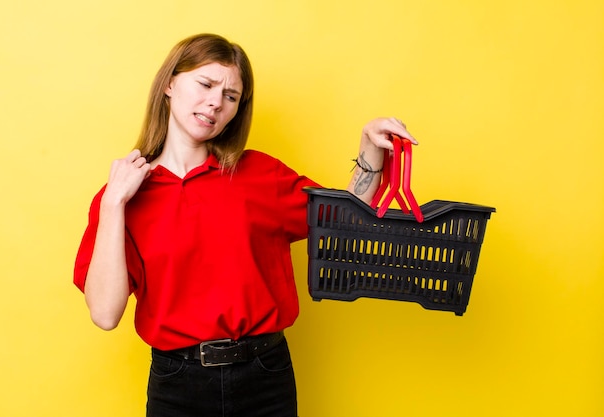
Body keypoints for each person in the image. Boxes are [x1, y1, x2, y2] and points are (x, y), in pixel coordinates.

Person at [74, 33, 416, 417]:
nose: (215, 103)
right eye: (205, 84)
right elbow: (104, 313)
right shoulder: (120, 196)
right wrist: (114, 203)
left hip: (264, 377)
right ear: (170, 83)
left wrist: (370, 148)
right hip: (177, 385)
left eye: (231, 96)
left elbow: (344, 221)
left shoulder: (258, 174)